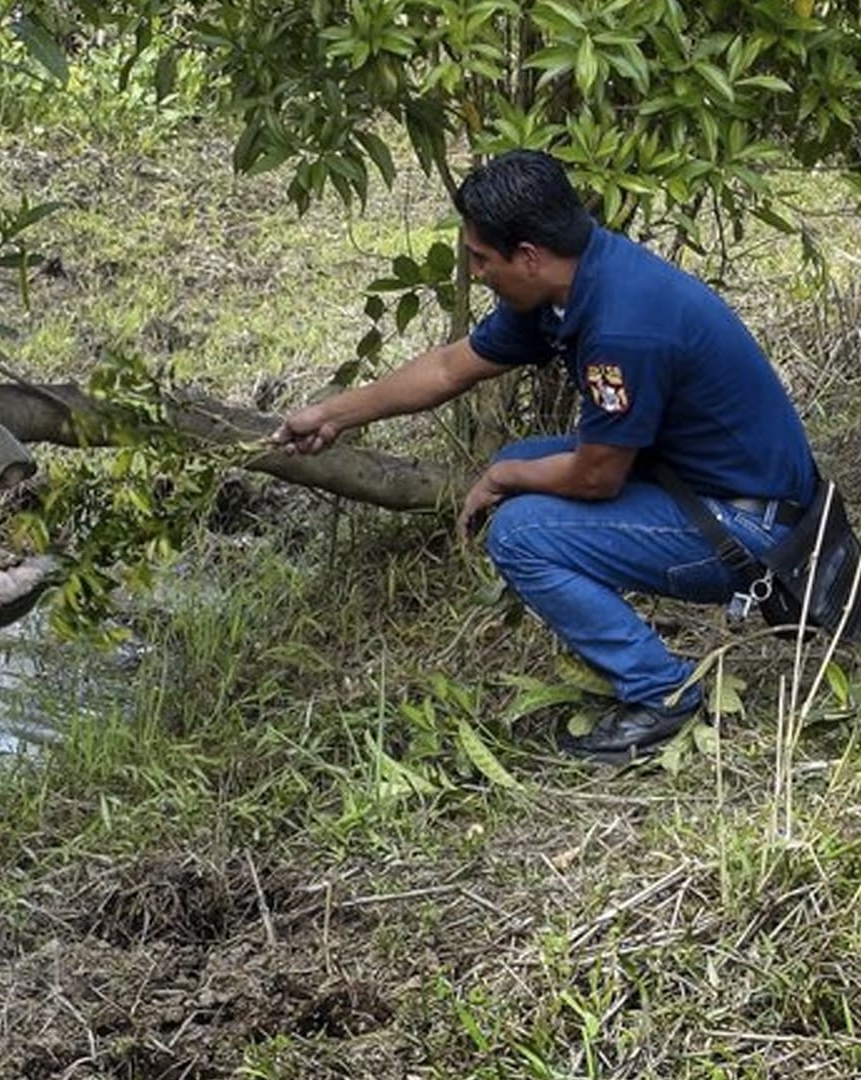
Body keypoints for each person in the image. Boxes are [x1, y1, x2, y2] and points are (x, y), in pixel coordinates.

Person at [271, 149, 817, 765]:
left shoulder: (622, 328)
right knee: (528, 463)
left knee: (522, 532)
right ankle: (632, 648)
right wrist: (334, 415)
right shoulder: (574, 281)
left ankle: (662, 693)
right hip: (714, 486)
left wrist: (500, 476)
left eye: (481, 258)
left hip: (754, 530)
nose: (475, 273)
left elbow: (596, 477)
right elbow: (452, 367)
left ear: (527, 255)